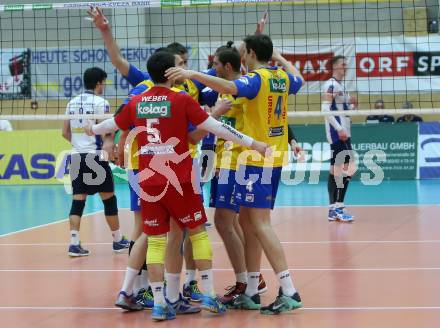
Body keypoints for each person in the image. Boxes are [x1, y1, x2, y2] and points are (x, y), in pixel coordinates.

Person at [85, 50, 269, 321]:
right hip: (180, 181)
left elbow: (108, 126)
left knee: (157, 241)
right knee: (197, 234)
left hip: (149, 183)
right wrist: (254, 144)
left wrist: (92, 130)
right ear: (171, 73)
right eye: (179, 66)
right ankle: (208, 295)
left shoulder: (137, 102)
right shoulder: (181, 99)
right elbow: (217, 128)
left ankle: (160, 303)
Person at [166, 33, 304, 315]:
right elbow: (298, 78)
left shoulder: (256, 80)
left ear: (250, 54)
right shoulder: (283, 77)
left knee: (260, 224)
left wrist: (192, 72)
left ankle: (289, 289)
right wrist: (279, 58)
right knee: (250, 224)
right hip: (267, 156)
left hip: (255, 158)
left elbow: (229, 85)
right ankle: (251, 289)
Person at [61, 67, 129, 257]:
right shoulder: (101, 102)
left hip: (76, 156)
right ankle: (117, 240)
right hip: (96, 156)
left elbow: (64, 132)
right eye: (104, 82)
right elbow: (107, 131)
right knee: (108, 198)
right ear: (99, 82)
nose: (104, 86)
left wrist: (78, 145)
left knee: (77, 201)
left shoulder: (71, 102)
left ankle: (74, 243)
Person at [321, 56, 357, 222]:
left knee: (335, 170)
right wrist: (339, 128)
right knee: (348, 168)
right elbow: (325, 109)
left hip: (343, 132)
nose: (346, 67)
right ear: (335, 67)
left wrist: (353, 106)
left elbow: (346, 113)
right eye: (343, 64)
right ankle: (339, 206)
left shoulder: (342, 87)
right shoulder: (331, 84)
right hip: (338, 134)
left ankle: (333, 209)